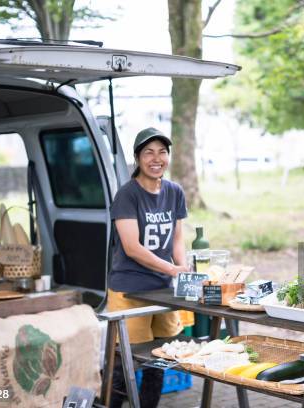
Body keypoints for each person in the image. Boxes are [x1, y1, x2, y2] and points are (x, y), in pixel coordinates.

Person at [107, 127, 189, 408]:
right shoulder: (127, 195)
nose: (156, 158)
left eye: (162, 152)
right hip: (130, 289)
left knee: (161, 356)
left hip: (163, 289)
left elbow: (177, 238)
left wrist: (183, 267)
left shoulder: (175, 191)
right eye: (148, 152)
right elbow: (132, 248)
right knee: (124, 360)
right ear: (137, 158)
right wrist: (172, 270)